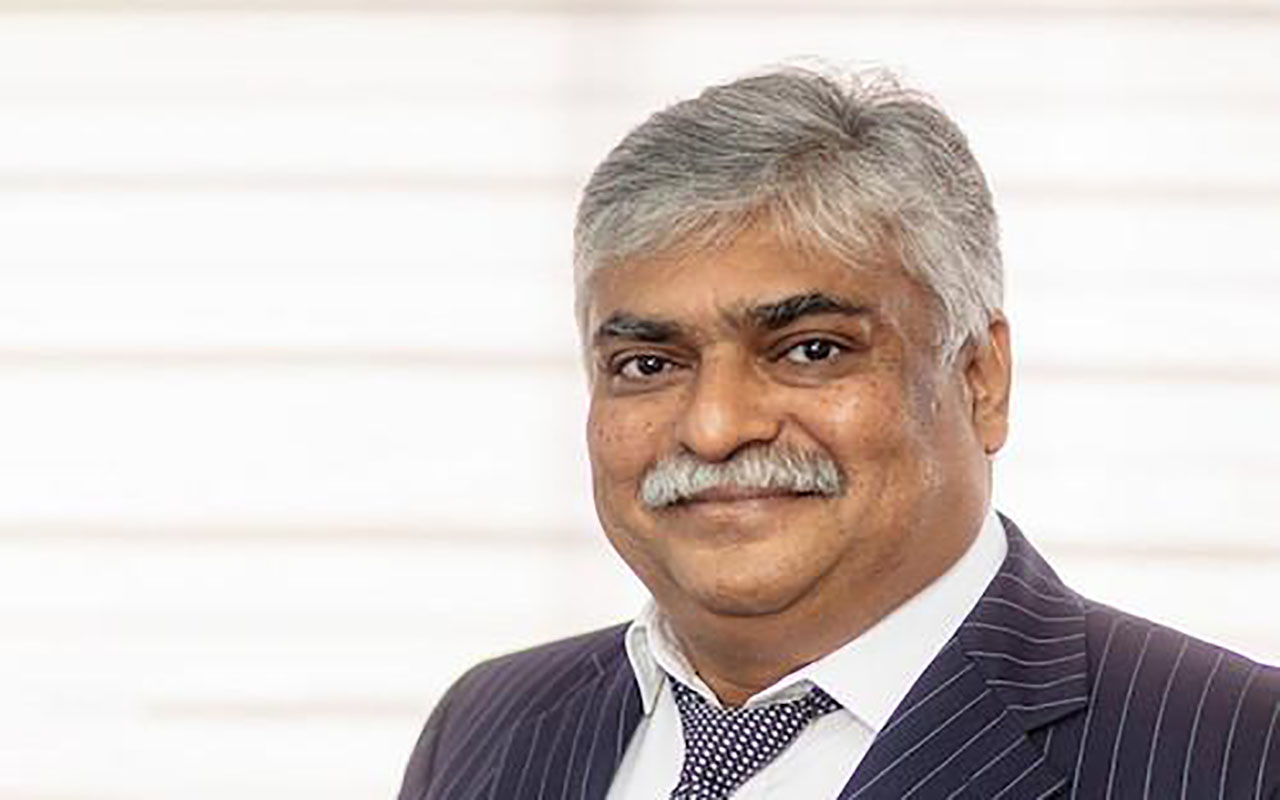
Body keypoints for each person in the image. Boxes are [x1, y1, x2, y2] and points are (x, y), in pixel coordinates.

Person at [397, 66, 1279, 800]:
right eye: (648, 363)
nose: (715, 427)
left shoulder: (1239, 751)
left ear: (981, 379)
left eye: (810, 350)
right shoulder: (490, 724)